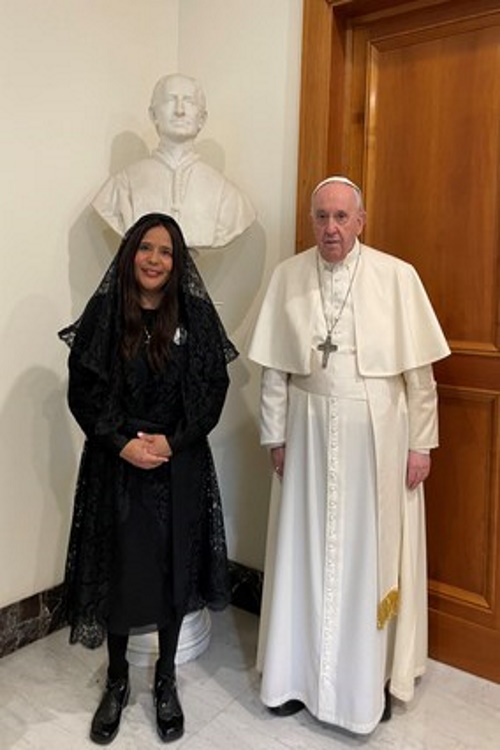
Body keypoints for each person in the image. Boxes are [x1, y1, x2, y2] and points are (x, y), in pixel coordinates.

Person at [247, 176, 450, 735]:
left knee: (366, 557)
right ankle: (292, 678)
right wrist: (276, 437)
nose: (331, 228)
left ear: (361, 220)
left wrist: (420, 445)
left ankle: (368, 684)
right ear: (311, 222)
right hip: (307, 436)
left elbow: (420, 379)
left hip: (377, 442)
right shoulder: (288, 277)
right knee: (303, 551)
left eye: (341, 217)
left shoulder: (397, 277)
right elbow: (274, 374)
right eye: (321, 217)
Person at [59, 212, 237, 745]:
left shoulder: (195, 316)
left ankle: (165, 680)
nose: (154, 260)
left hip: (177, 463)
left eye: (165, 251)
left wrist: (172, 442)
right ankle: (116, 680)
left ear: (177, 262)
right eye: (145, 248)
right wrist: (122, 443)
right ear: (130, 253)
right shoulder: (107, 313)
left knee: (172, 572)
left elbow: (213, 389)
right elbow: (83, 389)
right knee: (119, 570)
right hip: (116, 462)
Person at [92, 73, 256, 248]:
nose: (179, 111)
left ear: (202, 118)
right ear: (153, 115)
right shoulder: (121, 185)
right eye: (170, 100)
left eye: (189, 101)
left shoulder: (230, 197)